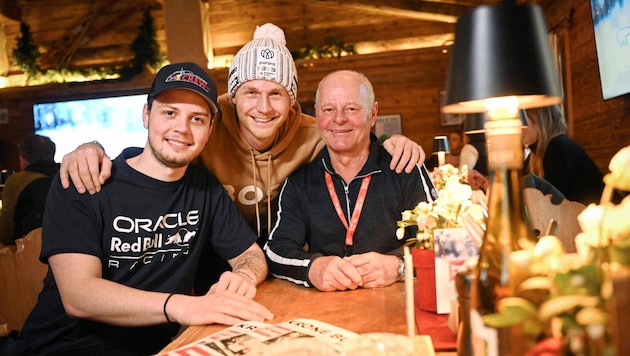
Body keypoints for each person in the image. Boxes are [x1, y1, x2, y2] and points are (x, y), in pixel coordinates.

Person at [58, 24, 426, 292]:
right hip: (209, 270)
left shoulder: (317, 131)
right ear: (233, 96)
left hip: (266, 270)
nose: (262, 108)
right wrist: (90, 147)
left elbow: (352, 133)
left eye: (277, 94)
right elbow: (160, 149)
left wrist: (393, 142)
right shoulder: (206, 124)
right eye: (250, 92)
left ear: (293, 102)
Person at [12, 62, 273, 356]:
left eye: (197, 119)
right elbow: (79, 296)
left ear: (210, 130)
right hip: (64, 347)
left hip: (162, 346)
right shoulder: (84, 179)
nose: (182, 129)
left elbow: (251, 255)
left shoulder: (205, 188)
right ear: (146, 115)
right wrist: (184, 306)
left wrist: (244, 275)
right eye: (169, 112)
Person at [263, 70, 437, 292]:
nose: (339, 119)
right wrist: (313, 267)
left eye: (351, 108)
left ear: (373, 114)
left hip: (398, 304)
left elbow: (442, 240)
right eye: (328, 109)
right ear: (317, 115)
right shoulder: (300, 182)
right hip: (324, 310)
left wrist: (399, 266)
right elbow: (276, 249)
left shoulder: (405, 167)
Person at [522, 104, 604, 205]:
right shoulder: (533, 157)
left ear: (541, 120)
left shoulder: (558, 147)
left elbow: (550, 206)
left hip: (606, 217)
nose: (518, 128)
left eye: (523, 120)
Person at [0, 134, 59, 247]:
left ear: (22, 159)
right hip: (69, 247)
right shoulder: (66, 176)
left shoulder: (17, 181)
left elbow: (6, 232)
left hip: (33, 252)